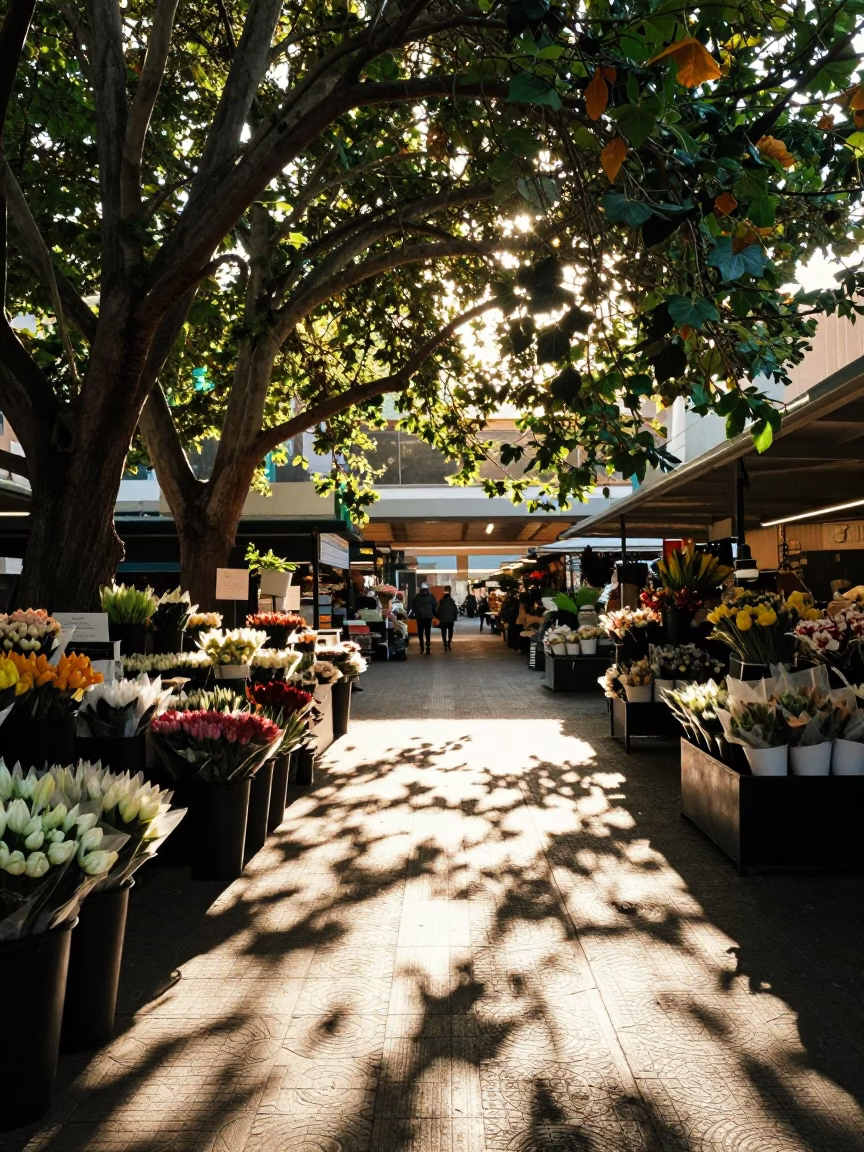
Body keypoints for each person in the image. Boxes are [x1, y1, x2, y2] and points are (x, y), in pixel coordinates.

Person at [411, 583, 438, 654]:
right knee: (427, 630)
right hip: (428, 616)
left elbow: (413, 606)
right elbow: (434, 605)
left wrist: (415, 613)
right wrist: (434, 614)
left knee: (420, 632)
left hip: (419, 617)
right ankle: (428, 643)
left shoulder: (417, 596)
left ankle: (421, 646)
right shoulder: (431, 596)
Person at [436, 585, 458, 650]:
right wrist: (454, 617)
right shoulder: (451, 601)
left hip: (443, 620)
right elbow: (455, 610)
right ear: (450, 590)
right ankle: (448, 643)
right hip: (450, 620)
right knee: (450, 631)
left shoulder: (441, 601)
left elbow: (437, 610)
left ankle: (445, 644)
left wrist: (438, 617)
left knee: (443, 631)